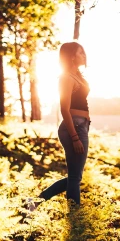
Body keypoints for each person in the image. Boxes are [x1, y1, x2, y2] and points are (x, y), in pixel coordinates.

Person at [26, 41, 91, 209]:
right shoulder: (66, 78)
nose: (84, 55)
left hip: (81, 126)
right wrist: (75, 137)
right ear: (71, 56)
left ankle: (34, 202)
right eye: (80, 52)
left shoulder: (77, 76)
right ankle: (75, 217)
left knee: (74, 177)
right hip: (73, 128)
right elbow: (64, 108)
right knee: (75, 178)